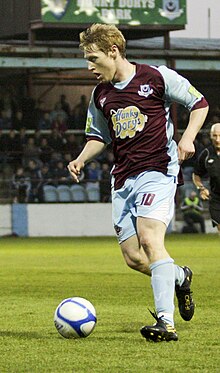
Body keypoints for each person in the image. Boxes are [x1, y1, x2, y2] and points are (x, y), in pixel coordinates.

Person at [68, 24, 209, 342]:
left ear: (113, 52)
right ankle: (179, 276)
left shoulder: (157, 77)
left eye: (93, 58)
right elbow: (98, 137)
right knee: (133, 257)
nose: (89, 66)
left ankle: (165, 324)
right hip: (123, 178)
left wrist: (187, 137)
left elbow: (199, 104)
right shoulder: (100, 94)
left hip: (159, 170)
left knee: (149, 238)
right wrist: (80, 159)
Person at [192, 123, 220, 234]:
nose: (218, 139)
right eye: (215, 136)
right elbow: (196, 174)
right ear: (210, 136)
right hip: (216, 198)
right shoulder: (206, 154)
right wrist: (201, 188)